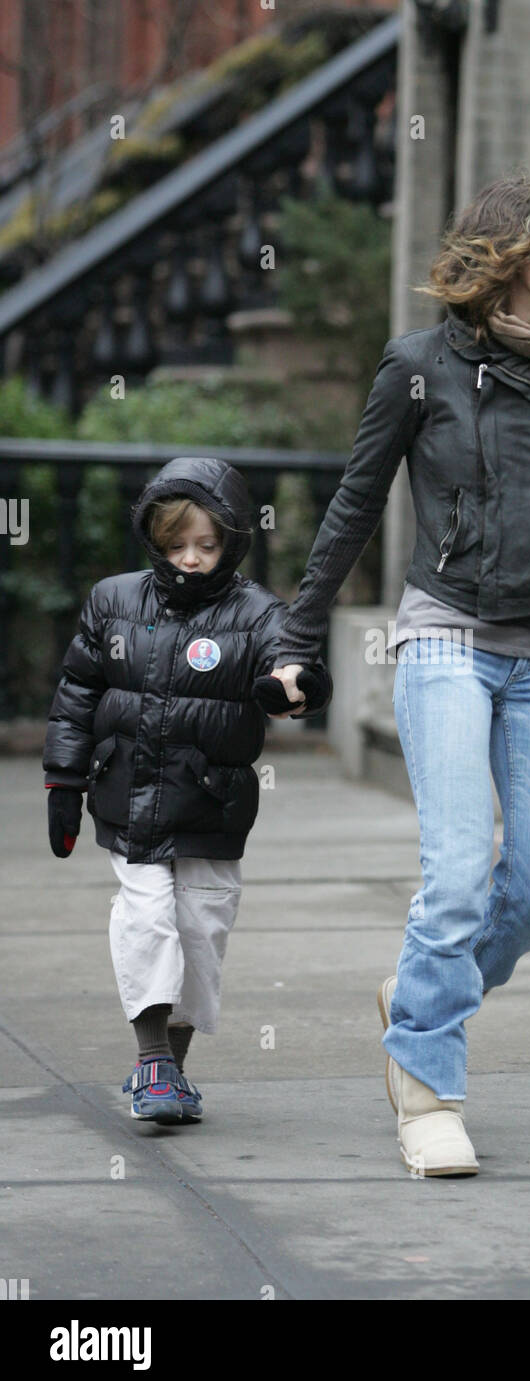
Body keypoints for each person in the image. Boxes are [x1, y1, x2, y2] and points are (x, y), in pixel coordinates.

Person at [266, 172, 530, 1177]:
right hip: (446, 636)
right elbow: (355, 507)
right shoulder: (416, 367)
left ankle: (414, 996)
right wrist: (295, 637)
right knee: (455, 876)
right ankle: (427, 1089)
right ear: (511, 256)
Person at [42, 457, 332, 1125]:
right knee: (147, 919)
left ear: (231, 540)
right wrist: (64, 779)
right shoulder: (112, 600)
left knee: (201, 929)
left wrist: (295, 687)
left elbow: (294, 662)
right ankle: (152, 1061)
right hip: (128, 795)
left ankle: (169, 1069)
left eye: (207, 544)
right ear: (154, 538)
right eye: (176, 545)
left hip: (211, 803)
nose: (192, 558)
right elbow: (77, 694)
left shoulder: (256, 611)